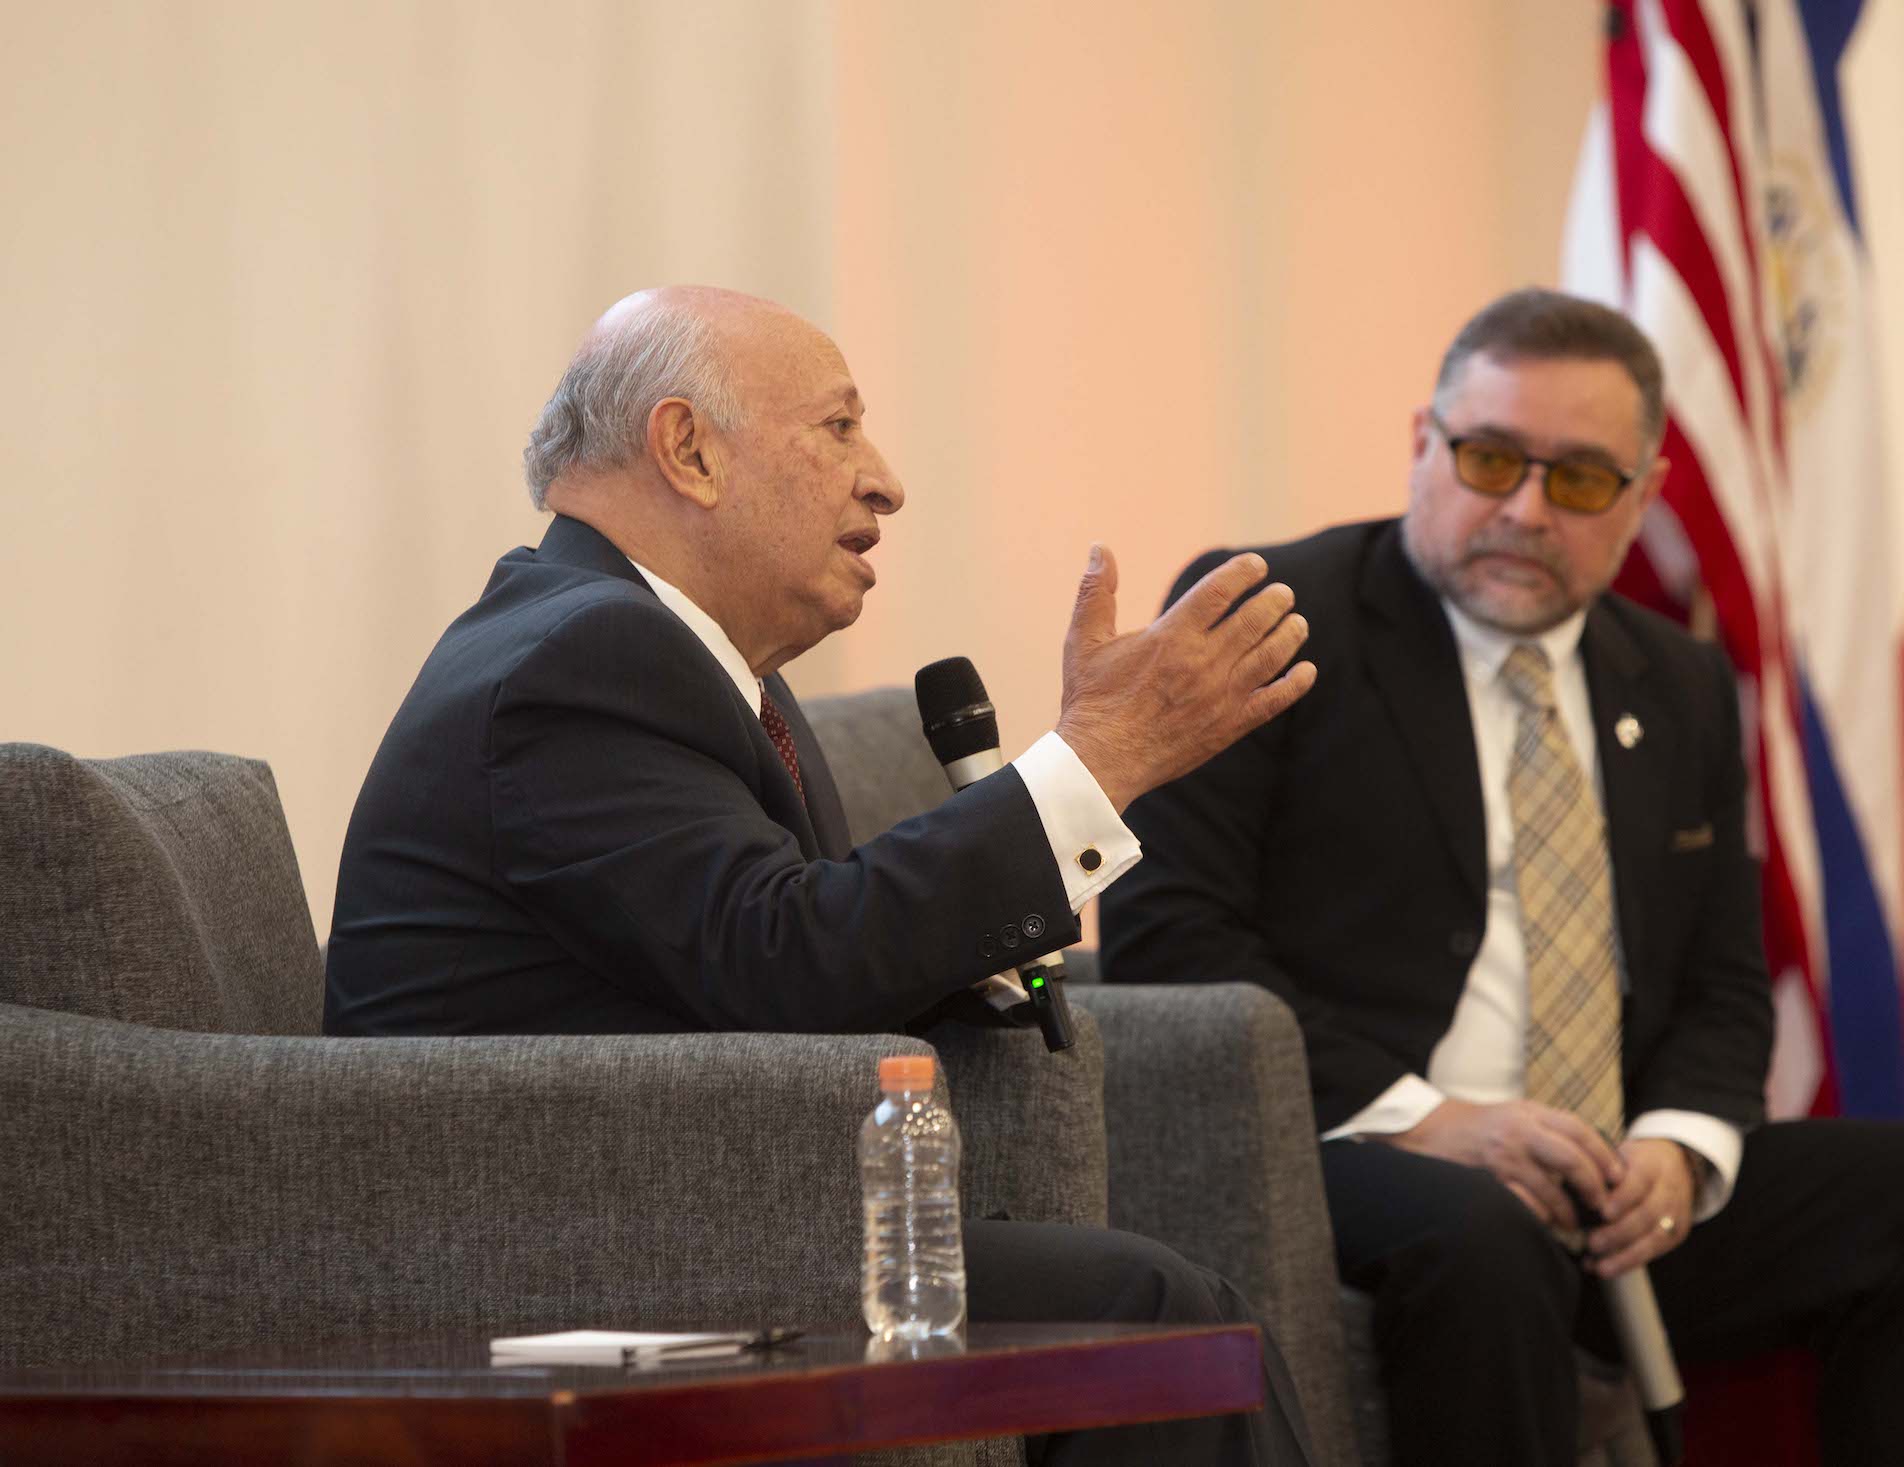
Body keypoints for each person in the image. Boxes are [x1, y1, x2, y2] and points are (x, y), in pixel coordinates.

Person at [324, 285, 1317, 1467]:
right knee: (1146, 1310)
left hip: (672, 1198)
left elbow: (736, 955)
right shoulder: (578, 657)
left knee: (1149, 1296)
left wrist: (970, 969)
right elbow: (781, 959)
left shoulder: (667, 653)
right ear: (688, 449)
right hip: (547, 1249)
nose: (886, 478)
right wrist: (1095, 763)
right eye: (839, 428)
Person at [1100, 288, 1904, 1466]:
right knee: (1481, 1231)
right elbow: (1170, 948)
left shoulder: (1679, 680)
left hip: (1609, 1179)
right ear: (1422, 445)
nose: (1526, 510)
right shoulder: (1274, 617)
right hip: (1363, 1156)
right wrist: (1437, 1123)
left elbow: (1724, 987)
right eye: (1489, 459)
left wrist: (1680, 1151)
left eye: (1580, 479)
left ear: (1639, 501)